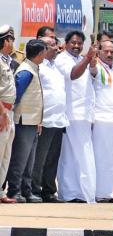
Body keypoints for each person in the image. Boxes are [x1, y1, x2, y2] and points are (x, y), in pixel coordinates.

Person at [56, 31, 97, 203]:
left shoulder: (82, 59)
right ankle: (76, 193)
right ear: (65, 43)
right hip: (73, 114)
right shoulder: (62, 59)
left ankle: (77, 193)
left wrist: (92, 64)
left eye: (80, 43)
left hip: (85, 114)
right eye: (73, 43)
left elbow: (92, 79)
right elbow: (73, 75)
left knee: (77, 156)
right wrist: (88, 59)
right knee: (77, 155)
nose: (76, 46)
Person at [6, 39, 46, 203]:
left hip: (32, 121)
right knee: (20, 159)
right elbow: (15, 96)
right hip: (23, 121)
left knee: (29, 160)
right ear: (39, 54)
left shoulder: (32, 68)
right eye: (43, 52)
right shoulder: (26, 71)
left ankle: (26, 191)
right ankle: (15, 191)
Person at [90, 40, 113, 202]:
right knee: (102, 157)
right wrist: (91, 58)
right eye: (106, 51)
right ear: (99, 52)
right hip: (102, 120)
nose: (110, 54)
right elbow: (92, 70)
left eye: (112, 51)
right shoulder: (97, 67)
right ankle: (102, 192)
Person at [31, 36, 68, 203]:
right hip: (45, 120)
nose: (57, 48)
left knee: (53, 158)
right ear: (43, 49)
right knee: (40, 158)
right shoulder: (38, 67)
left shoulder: (56, 67)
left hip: (59, 119)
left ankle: (49, 191)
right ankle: (35, 190)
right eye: (53, 45)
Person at [0, 26, 15, 204]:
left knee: (6, 154)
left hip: (9, 111)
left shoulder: (8, 61)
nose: (12, 43)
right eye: (10, 40)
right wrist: (3, 113)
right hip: (2, 111)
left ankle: (1, 191)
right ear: (5, 41)